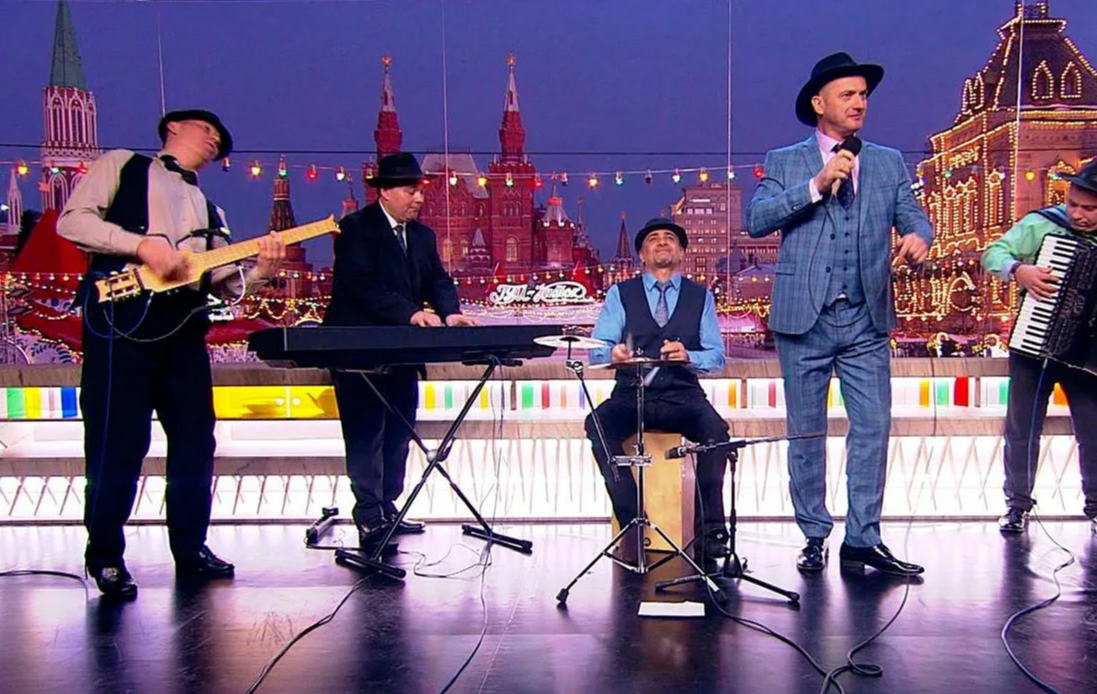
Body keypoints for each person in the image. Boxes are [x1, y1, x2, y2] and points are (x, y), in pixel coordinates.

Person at [58, 109, 286, 599]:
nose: (215, 139)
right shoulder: (122, 165)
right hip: (122, 321)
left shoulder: (211, 210)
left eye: (219, 136)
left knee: (195, 440)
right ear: (173, 128)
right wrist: (141, 247)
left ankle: (190, 546)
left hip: (183, 329)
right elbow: (73, 222)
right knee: (117, 441)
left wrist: (261, 273)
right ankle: (105, 554)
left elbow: (225, 285)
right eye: (207, 129)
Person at [746, 53, 933, 576]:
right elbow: (757, 219)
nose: (859, 103)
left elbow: (915, 217)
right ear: (818, 103)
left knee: (873, 427)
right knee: (806, 433)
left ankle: (863, 539)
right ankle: (813, 534)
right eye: (847, 94)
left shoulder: (889, 162)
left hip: (866, 317)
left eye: (863, 95)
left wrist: (919, 237)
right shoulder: (784, 160)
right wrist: (815, 184)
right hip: (802, 318)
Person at [323, 152, 478, 548]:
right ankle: (368, 513)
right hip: (359, 354)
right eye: (411, 191)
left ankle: (389, 506)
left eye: (420, 191)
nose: (419, 199)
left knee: (399, 432)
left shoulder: (422, 236)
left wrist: (451, 312)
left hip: (402, 355)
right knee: (365, 433)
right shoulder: (356, 229)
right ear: (386, 192)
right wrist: (410, 314)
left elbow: (438, 280)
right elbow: (363, 285)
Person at [586, 217, 730, 563]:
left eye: (670, 238)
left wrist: (689, 356)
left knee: (717, 432)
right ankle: (631, 518)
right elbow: (596, 349)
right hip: (631, 395)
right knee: (597, 424)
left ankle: (711, 531)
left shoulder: (701, 297)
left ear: (681, 252)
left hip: (684, 396)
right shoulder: (620, 294)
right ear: (642, 255)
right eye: (653, 238)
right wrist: (613, 353)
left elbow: (717, 357)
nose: (662, 242)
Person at [981, 159, 1097, 535]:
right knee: (1022, 428)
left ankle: (1096, 507)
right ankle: (1017, 506)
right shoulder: (1043, 224)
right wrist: (1019, 270)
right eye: (1073, 204)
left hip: (1087, 355)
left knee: (1093, 429)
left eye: (1088, 208)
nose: (1076, 214)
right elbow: (993, 254)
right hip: (1033, 345)